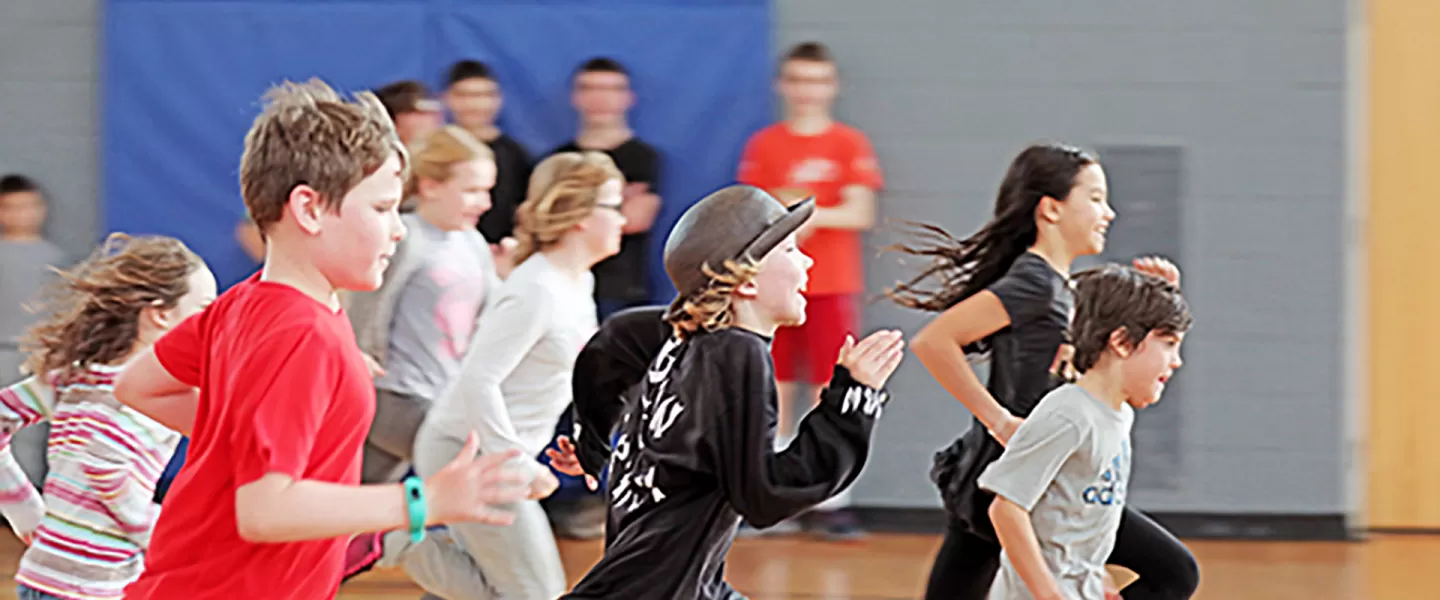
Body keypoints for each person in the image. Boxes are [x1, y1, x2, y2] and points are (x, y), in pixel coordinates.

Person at [110, 78, 531, 599]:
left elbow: (139, 386)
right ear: (309, 209)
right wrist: (421, 503)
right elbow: (266, 512)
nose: (398, 229)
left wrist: (240, 445)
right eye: (381, 209)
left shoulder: (248, 304)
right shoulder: (301, 334)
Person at [553, 185, 905, 599]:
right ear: (748, 281)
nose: (808, 260)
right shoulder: (737, 352)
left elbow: (614, 340)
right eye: (791, 251)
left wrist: (590, 442)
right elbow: (765, 494)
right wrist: (852, 400)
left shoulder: (683, 337)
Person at [886, 142, 1199, 599]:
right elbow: (934, 341)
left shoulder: (1064, 287)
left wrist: (1160, 304)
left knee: (1172, 571)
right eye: (1094, 198)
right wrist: (999, 421)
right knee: (1173, 572)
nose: (1108, 212)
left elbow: (1104, 361)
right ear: (1051, 209)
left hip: (1043, 476)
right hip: (1010, 474)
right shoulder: (1033, 282)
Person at [363, 151, 626, 600]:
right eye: (613, 206)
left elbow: (561, 379)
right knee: (533, 593)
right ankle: (389, 538)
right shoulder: (536, 290)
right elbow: (477, 382)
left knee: (485, 586)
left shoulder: (577, 283)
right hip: (464, 451)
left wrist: (582, 443)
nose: (623, 219)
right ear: (580, 215)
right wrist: (520, 464)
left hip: (495, 451)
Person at [0, 234, 213, 600]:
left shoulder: (74, 376)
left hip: (40, 578)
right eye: (204, 310)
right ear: (161, 313)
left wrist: (22, 510)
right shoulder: (156, 394)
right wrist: (158, 533)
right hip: (94, 587)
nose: (210, 325)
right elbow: (104, 463)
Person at [736, 41, 884, 539]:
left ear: (833, 85)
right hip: (771, 285)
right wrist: (808, 210)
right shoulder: (765, 144)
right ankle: (771, 496)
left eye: (817, 80)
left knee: (830, 385)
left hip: (833, 285)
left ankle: (830, 501)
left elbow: (860, 212)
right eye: (798, 79)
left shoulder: (849, 144)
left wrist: (800, 211)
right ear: (783, 85)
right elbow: (756, 213)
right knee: (772, 385)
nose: (807, 90)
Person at [980, 264, 1191, 599]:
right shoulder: (1068, 415)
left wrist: (1097, 573)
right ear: (1121, 341)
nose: (1176, 360)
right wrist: (1049, 594)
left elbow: (1079, 513)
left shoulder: (1118, 413)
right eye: (1168, 343)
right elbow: (1006, 510)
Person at [343, 125, 502, 485]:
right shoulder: (404, 238)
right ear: (430, 186)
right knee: (482, 476)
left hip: (443, 393)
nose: (485, 203)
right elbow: (365, 309)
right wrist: (356, 369)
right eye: (473, 190)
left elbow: (490, 315)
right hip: (396, 393)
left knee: (361, 493)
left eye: (488, 191)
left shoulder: (473, 242)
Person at [0, 174, 69, 489]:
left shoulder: (55, 260)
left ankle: (24, 500)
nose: (20, 215)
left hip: (38, 356)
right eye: (11, 207)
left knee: (30, 433)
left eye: (27, 206)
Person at [443, 59, 533, 247]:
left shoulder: (517, 156)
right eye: (464, 95)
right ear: (447, 98)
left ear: (498, 99)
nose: (474, 104)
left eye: (484, 95)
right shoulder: (436, 151)